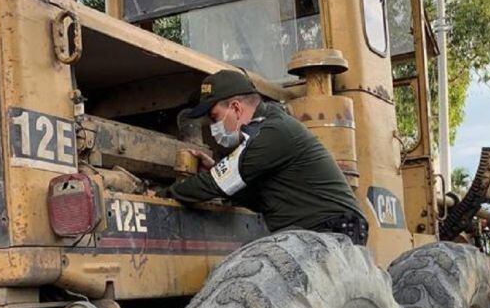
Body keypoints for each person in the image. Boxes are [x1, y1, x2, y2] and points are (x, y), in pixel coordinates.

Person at [158, 70, 369, 245]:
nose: (214, 128)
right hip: (318, 229)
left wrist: (162, 194)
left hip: (333, 230)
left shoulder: (271, 133)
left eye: (215, 118)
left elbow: (216, 184)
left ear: (236, 108)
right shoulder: (265, 129)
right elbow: (256, 198)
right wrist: (216, 170)